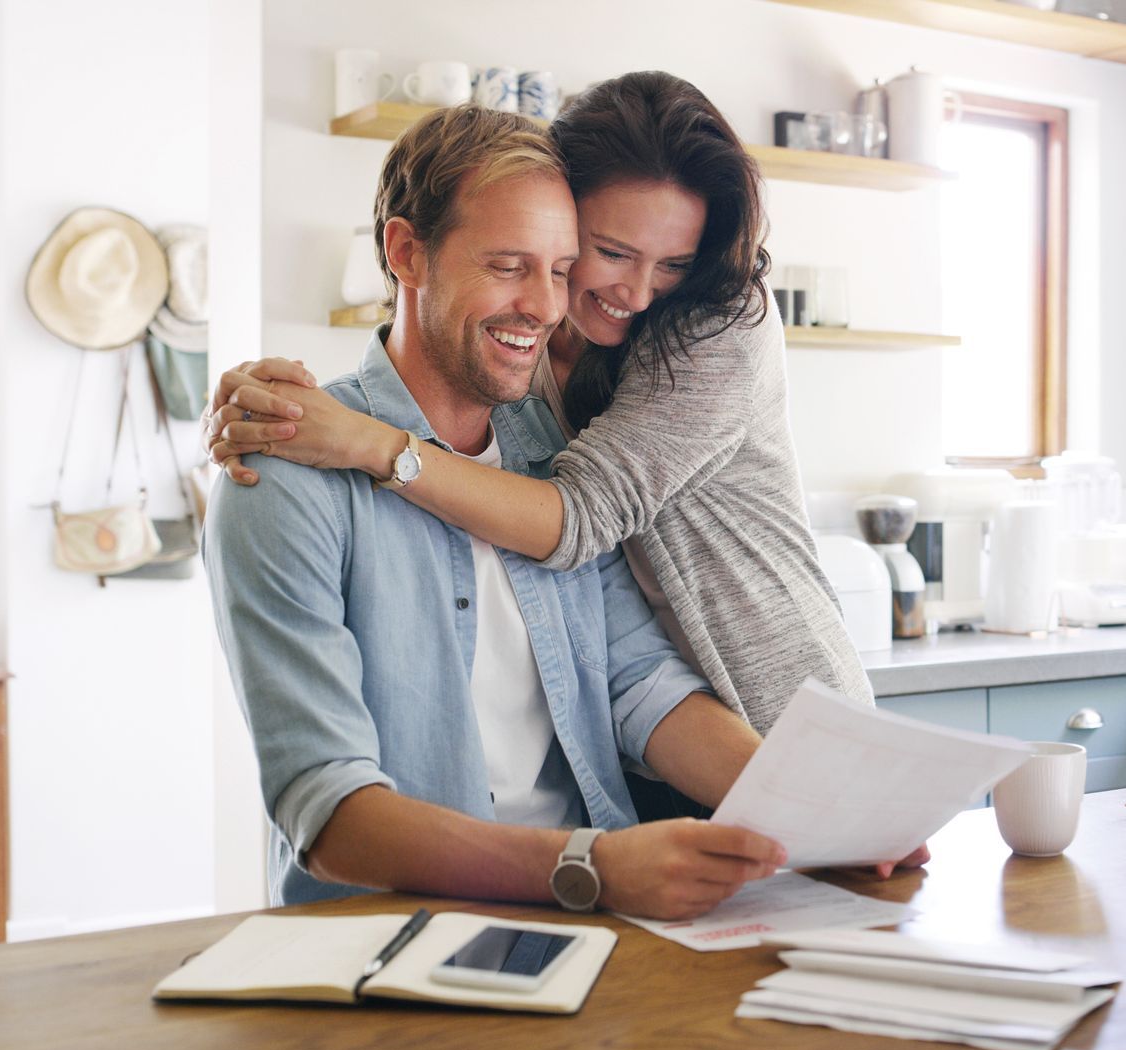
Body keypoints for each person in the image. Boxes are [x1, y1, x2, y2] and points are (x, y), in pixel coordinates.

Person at [206, 105, 790, 919]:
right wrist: (593, 865)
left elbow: (639, 683)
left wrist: (814, 810)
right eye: (509, 265)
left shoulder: (552, 455)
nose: (545, 306)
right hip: (391, 940)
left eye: (560, 269)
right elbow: (328, 807)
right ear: (405, 252)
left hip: (591, 917)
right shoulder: (285, 472)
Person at [203, 72, 870, 742]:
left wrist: (366, 441)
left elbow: (577, 516)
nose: (639, 293)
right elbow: (432, 337)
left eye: (672, 263)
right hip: (647, 740)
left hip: (783, 711)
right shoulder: (537, 344)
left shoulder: (719, 327)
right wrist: (261, 400)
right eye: (610, 252)